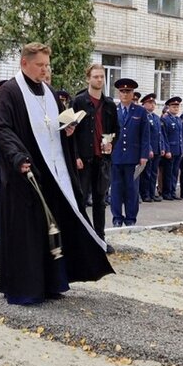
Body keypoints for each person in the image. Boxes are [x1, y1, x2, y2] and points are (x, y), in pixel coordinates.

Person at [0, 43, 112, 305]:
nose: (45, 70)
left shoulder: (49, 92)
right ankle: (24, 288)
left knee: (50, 229)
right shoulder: (9, 92)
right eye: (40, 65)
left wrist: (67, 131)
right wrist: (18, 157)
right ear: (24, 63)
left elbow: (55, 125)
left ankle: (51, 283)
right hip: (27, 174)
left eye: (47, 65)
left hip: (53, 175)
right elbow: (2, 130)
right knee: (27, 232)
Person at [70, 64, 116, 249]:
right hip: (84, 160)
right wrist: (75, 155)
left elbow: (115, 129)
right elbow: (71, 131)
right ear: (88, 78)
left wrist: (112, 143)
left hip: (102, 159)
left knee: (100, 200)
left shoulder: (110, 104)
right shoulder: (79, 102)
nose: (99, 80)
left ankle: (100, 239)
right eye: (96, 76)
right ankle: (81, 239)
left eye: (102, 77)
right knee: (80, 200)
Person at [110, 78, 150, 227]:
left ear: (133, 93)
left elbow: (145, 136)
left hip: (133, 157)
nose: (125, 94)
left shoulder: (140, 111)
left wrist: (144, 156)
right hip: (116, 156)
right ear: (118, 93)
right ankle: (117, 218)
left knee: (132, 190)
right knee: (116, 189)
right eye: (122, 91)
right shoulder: (113, 110)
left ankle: (131, 218)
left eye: (128, 91)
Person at [138, 93, 162, 203]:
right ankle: (145, 194)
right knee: (146, 173)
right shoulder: (143, 116)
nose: (152, 105)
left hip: (157, 149)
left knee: (153, 173)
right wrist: (150, 149)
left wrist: (161, 147)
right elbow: (145, 135)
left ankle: (152, 193)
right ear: (144, 104)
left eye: (153, 103)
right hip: (149, 149)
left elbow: (159, 134)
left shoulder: (156, 118)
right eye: (149, 103)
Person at [159, 97, 183, 200]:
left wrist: (182, 149)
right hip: (170, 150)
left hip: (178, 149)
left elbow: (181, 136)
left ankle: (173, 191)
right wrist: (167, 150)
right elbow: (164, 136)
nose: (176, 108)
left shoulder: (178, 119)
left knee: (175, 172)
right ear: (168, 107)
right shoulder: (165, 119)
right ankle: (166, 192)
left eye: (177, 106)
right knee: (168, 173)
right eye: (173, 106)